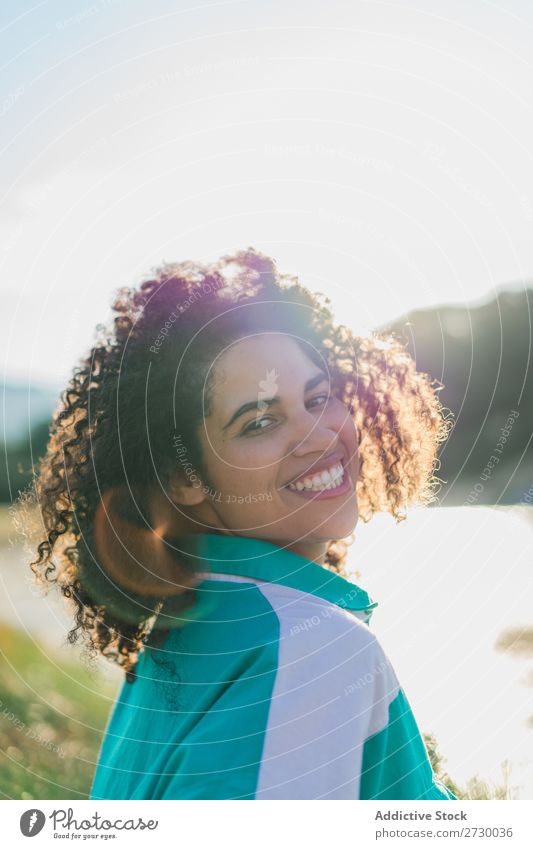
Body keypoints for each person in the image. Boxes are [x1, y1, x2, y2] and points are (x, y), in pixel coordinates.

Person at [18, 248, 455, 799]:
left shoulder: (190, 631)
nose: (321, 435)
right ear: (183, 477)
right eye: (261, 421)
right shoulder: (316, 649)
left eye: (318, 397)